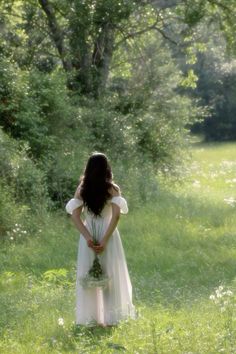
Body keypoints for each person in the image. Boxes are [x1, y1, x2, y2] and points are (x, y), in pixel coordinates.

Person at [65, 152, 136, 327]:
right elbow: (116, 217)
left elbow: (74, 217)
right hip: (108, 234)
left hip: (88, 234)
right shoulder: (112, 188)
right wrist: (104, 240)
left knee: (89, 278)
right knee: (110, 275)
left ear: (88, 168)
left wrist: (88, 237)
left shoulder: (82, 189)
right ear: (107, 168)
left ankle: (92, 319)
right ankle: (112, 319)